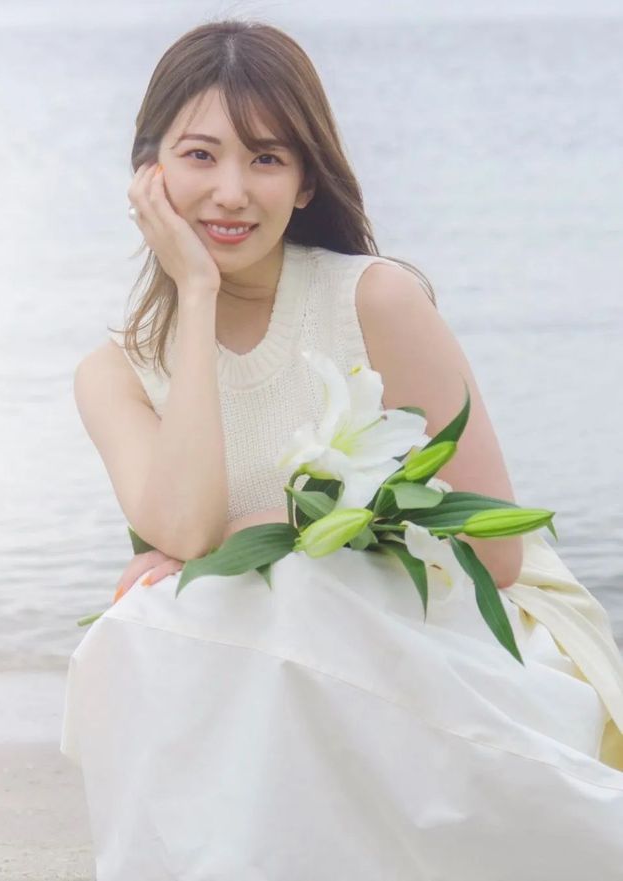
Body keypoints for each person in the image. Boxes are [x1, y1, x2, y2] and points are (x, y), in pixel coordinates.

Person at [60, 18, 623, 881]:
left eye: (267, 158)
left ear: (307, 180)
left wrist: (270, 527)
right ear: (149, 174)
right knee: (155, 620)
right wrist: (196, 294)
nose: (231, 192)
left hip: (464, 627)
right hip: (286, 656)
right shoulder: (115, 373)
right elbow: (186, 529)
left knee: (277, 590)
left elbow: (497, 554)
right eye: (201, 155)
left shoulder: (375, 301)